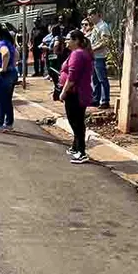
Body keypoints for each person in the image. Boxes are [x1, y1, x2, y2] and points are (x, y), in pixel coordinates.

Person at [58, 30, 95, 164]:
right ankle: (75, 147)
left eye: (69, 39)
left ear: (76, 40)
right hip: (77, 92)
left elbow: (72, 77)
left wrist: (64, 91)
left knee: (76, 122)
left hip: (75, 93)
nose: (66, 41)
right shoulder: (78, 53)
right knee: (76, 120)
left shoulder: (77, 54)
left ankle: (82, 152)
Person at [87, 9, 112, 110]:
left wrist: (93, 49)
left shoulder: (103, 26)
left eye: (91, 15)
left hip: (99, 57)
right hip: (94, 56)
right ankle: (96, 99)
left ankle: (105, 100)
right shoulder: (96, 27)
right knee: (95, 80)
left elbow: (105, 41)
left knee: (102, 79)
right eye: (89, 15)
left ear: (97, 14)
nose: (90, 17)